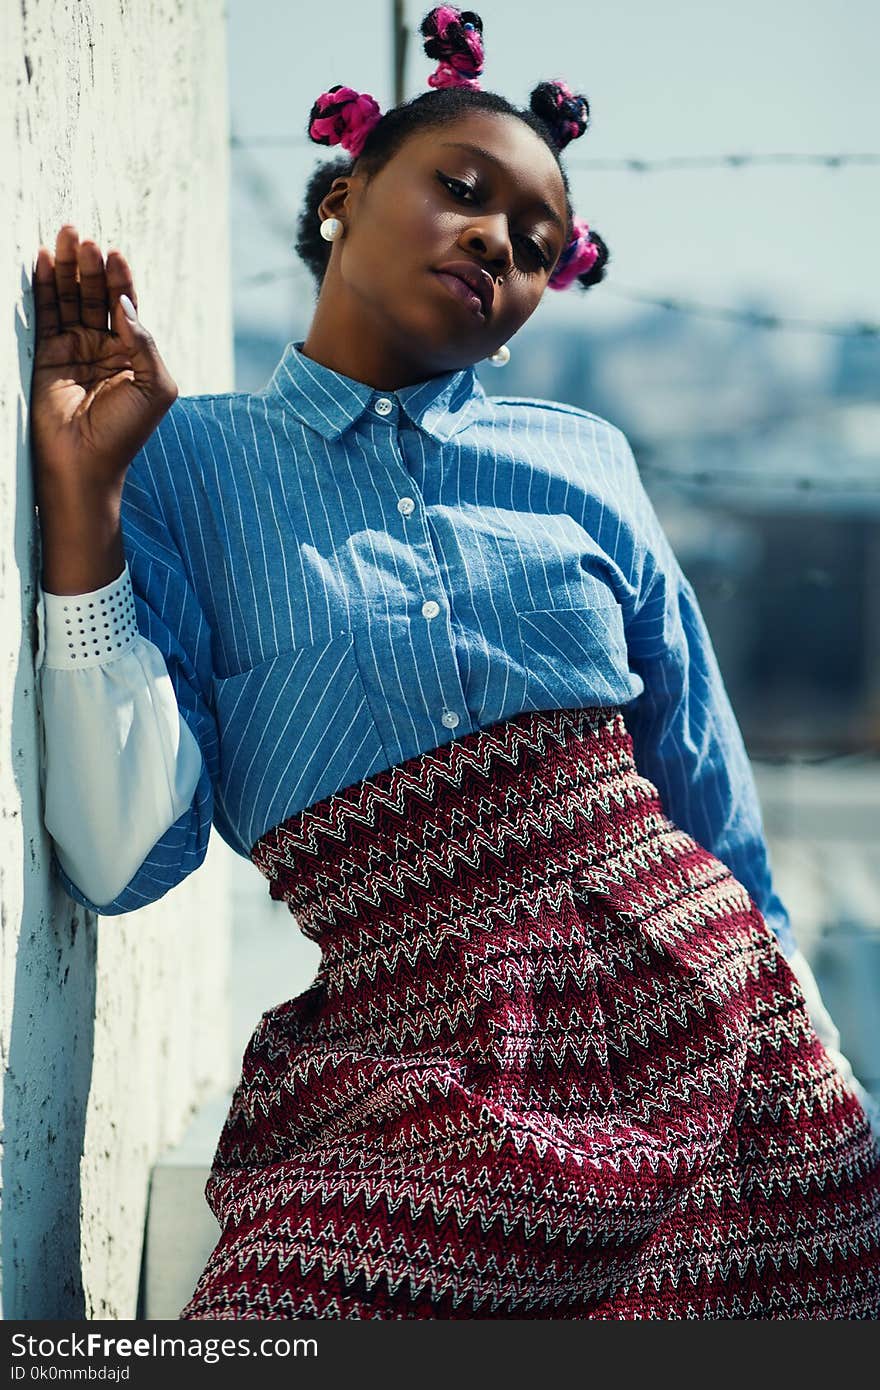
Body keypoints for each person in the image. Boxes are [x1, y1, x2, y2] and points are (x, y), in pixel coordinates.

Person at [30, 7, 880, 1320]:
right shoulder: (187, 462)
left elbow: (703, 776)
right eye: (464, 193)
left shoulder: (585, 457)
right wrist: (84, 505)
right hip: (406, 1068)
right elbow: (118, 852)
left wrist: (805, 1028)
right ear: (346, 193)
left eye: (538, 244)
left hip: (716, 1034)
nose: (499, 240)